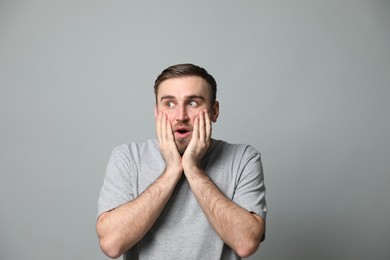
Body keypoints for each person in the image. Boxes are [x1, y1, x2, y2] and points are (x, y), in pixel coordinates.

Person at [96, 63, 267, 260]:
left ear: (214, 111)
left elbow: (246, 244)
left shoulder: (243, 158)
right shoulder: (127, 157)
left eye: (193, 103)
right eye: (169, 104)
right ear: (156, 112)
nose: (181, 116)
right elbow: (111, 245)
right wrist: (172, 170)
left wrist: (193, 168)